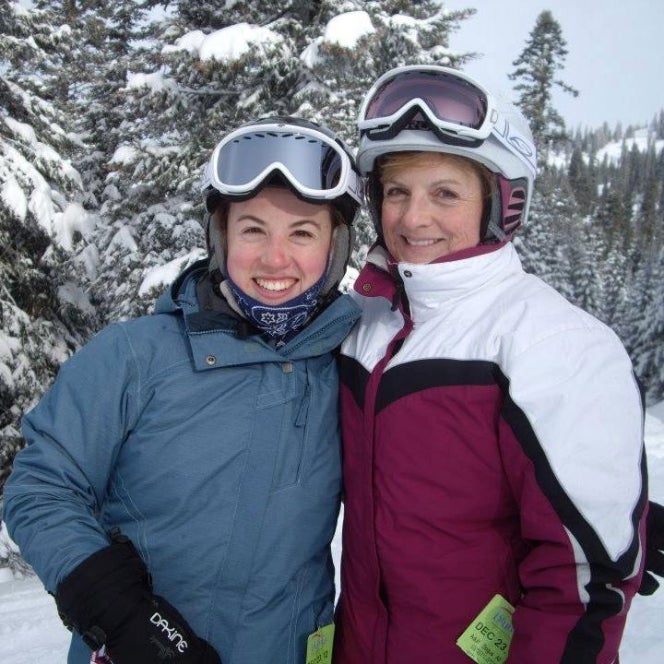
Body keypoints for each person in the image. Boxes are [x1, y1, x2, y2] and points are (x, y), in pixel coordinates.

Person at [3, 117, 362, 664]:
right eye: (252, 229)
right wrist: (122, 617)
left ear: (334, 247)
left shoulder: (349, 367)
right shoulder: (134, 356)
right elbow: (40, 487)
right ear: (222, 237)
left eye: (303, 232)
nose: (274, 258)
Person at [334, 65, 648, 663]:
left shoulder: (552, 343)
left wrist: (604, 507)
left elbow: (583, 588)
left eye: (444, 193)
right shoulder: (365, 327)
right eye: (396, 191)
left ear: (500, 202)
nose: (412, 218)